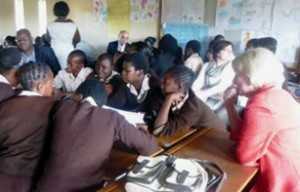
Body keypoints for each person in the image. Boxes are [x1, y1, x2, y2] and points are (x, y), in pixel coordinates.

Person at [35, 79, 158, 192]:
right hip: (86, 188)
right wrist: (143, 131)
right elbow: (150, 148)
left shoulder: (62, 107)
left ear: (79, 96)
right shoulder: (112, 117)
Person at [224, 48, 300, 192]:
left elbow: (244, 156)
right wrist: (229, 105)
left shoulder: (261, 104)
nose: (233, 81)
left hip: (283, 179)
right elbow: (243, 135)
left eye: (237, 75)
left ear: (250, 77)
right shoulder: (277, 93)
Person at [0, 63, 56, 192]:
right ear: (40, 86)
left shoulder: (4, 106)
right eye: (51, 84)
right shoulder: (54, 108)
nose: (53, 88)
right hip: (33, 179)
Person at [153, 65, 225, 136]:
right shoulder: (171, 92)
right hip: (197, 134)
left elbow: (159, 130)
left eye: (165, 83)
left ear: (179, 87)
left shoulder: (193, 108)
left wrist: (168, 99)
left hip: (215, 139)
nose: (161, 85)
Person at [122, 52, 163, 129]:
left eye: (127, 71)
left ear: (140, 73)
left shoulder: (155, 88)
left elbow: (157, 117)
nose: (122, 73)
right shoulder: (125, 84)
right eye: (122, 69)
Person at [192, 40, 235, 111]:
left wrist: (201, 94)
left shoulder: (230, 67)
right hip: (204, 97)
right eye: (226, 50)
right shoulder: (206, 65)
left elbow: (221, 87)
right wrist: (193, 93)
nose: (229, 53)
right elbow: (198, 82)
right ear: (217, 52)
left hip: (221, 100)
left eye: (230, 51)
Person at [47, 1, 81, 69]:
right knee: (68, 72)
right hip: (68, 52)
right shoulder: (72, 25)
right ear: (67, 11)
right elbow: (78, 39)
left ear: (54, 11)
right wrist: (71, 44)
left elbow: (48, 40)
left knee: (55, 72)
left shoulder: (50, 25)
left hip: (54, 52)